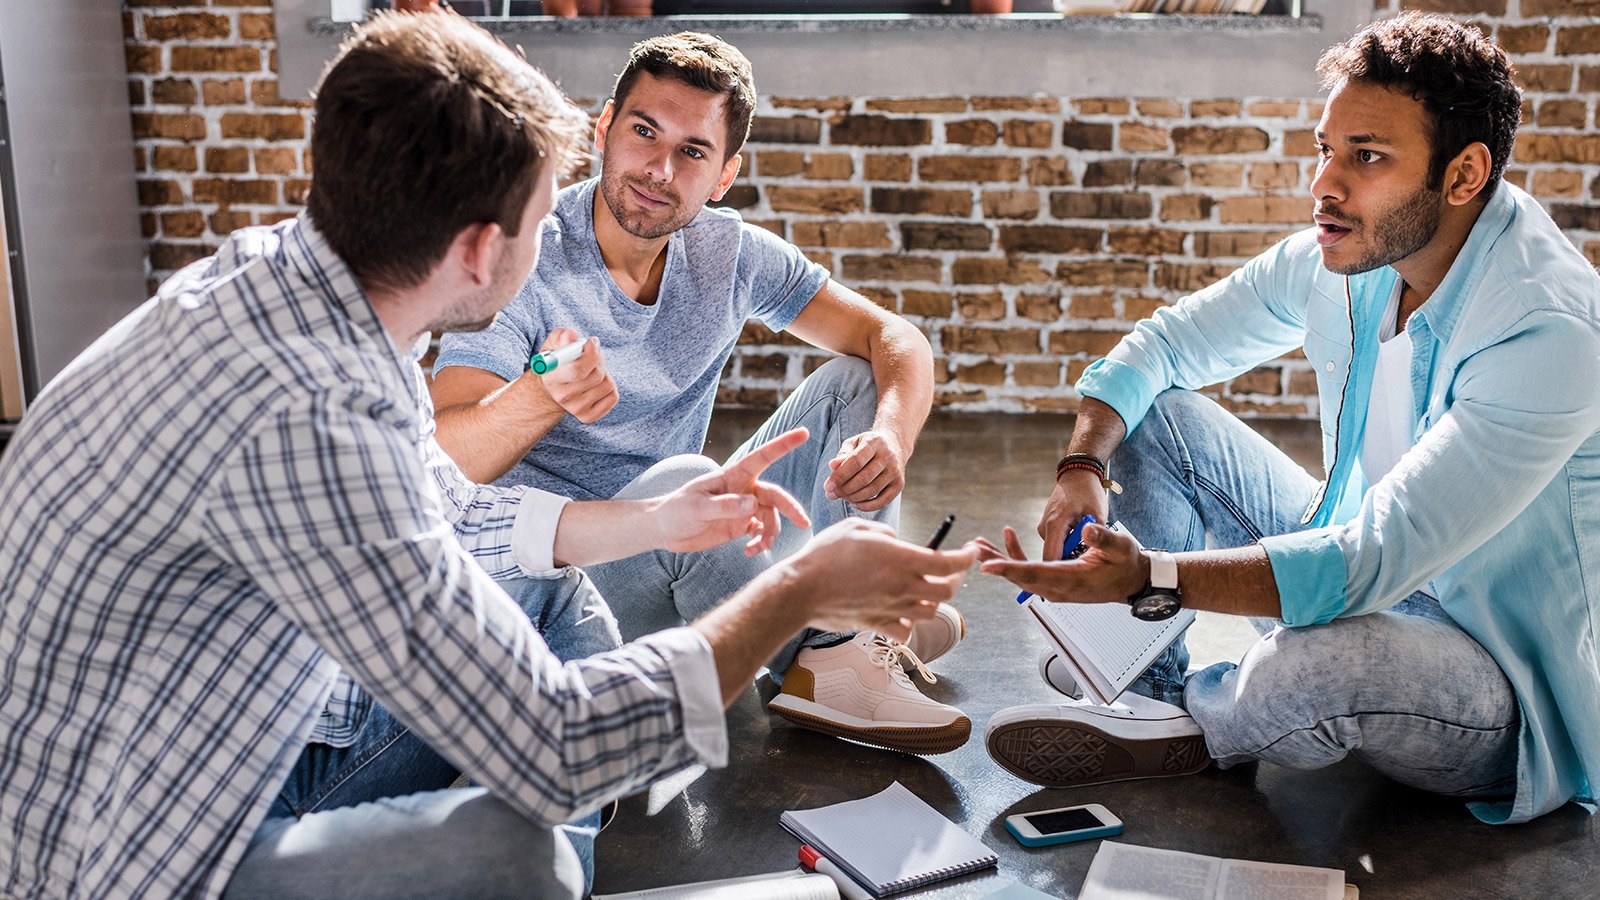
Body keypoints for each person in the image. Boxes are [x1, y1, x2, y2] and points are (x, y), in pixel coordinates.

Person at [0, 12, 978, 900]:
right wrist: (796, 591)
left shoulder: (287, 288)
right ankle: (741, 704)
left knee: (557, 590)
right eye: (545, 207)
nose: (568, 218)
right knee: (520, 854)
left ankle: (689, 724)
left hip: (230, 712)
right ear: (480, 250)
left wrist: (657, 521)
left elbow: (447, 505)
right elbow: (551, 744)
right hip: (153, 845)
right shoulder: (313, 417)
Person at [978, 12, 1600, 826]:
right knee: (1156, 418)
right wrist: (1081, 471)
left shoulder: (1547, 327)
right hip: (1371, 572)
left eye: (1367, 157)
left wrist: (1152, 578)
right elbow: (1166, 344)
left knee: (1310, 669)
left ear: (1464, 173)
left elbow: (1376, 557)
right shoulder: (1349, 254)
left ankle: (1205, 719)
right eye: (1325, 150)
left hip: (1494, 682)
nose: (1323, 186)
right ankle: (1151, 699)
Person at [428, 31, 970, 755]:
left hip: (675, 534)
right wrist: (539, 392)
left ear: (722, 176)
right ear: (604, 131)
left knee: (858, 384)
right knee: (696, 484)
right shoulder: (526, 251)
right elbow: (443, 459)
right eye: (644, 132)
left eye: (692, 151)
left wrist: (891, 438)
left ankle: (848, 641)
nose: (658, 169)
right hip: (557, 587)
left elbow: (897, 339)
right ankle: (845, 645)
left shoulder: (727, 252)